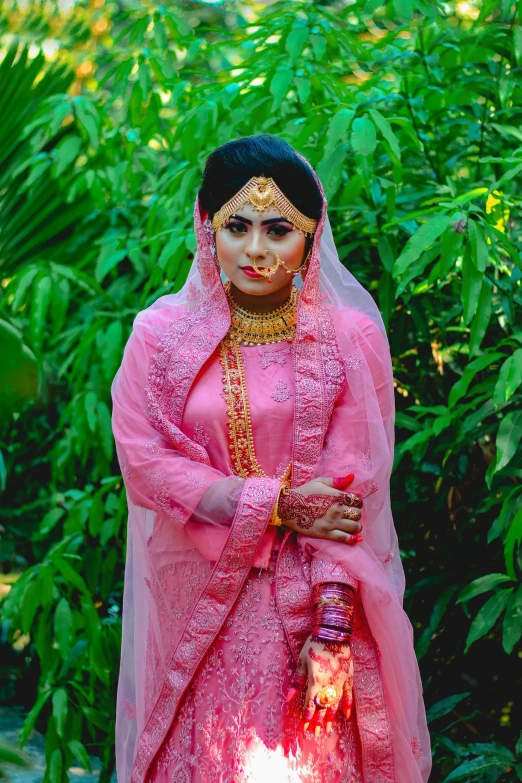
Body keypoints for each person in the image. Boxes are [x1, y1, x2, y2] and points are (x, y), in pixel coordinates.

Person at [111, 134, 431, 783]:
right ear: (207, 227)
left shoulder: (349, 340)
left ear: (311, 236)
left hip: (311, 614)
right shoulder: (161, 335)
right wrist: (277, 504)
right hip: (196, 605)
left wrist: (334, 631)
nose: (255, 250)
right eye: (237, 226)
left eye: (278, 229)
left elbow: (352, 495)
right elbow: (145, 462)